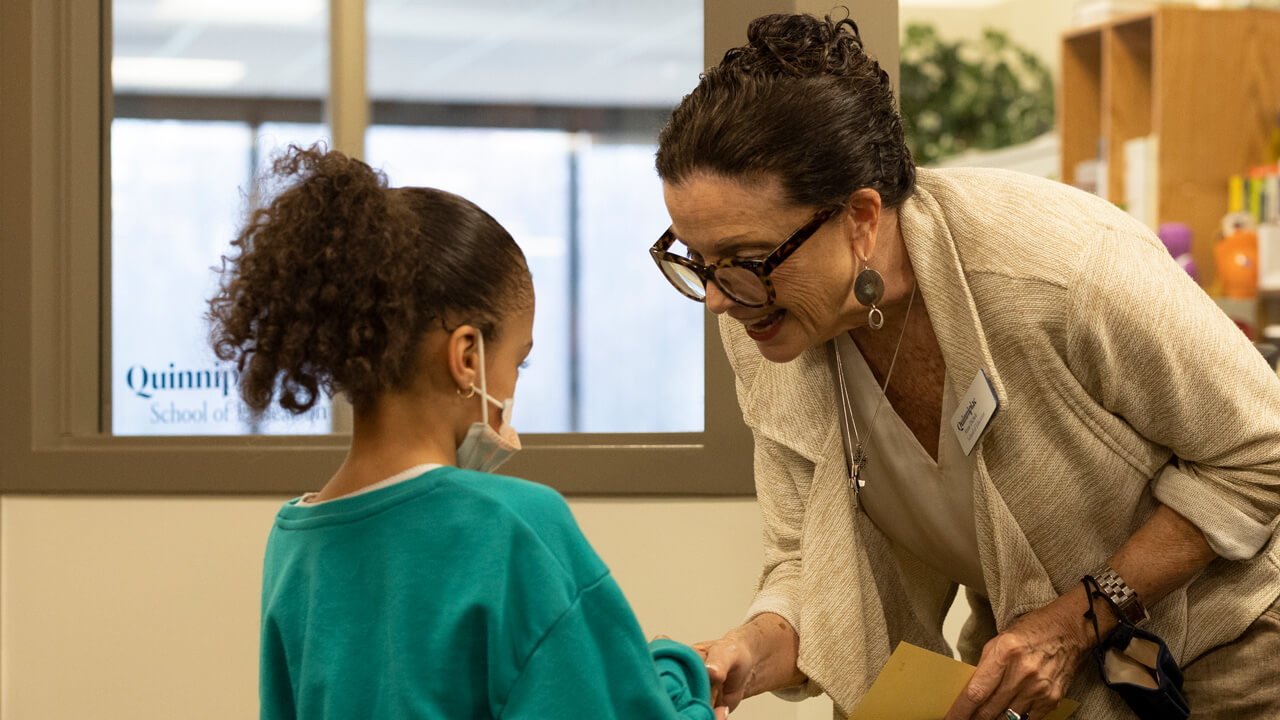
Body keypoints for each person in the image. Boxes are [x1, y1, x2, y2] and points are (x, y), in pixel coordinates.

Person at [651, 13, 1280, 720]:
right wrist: (744, 651)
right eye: (695, 262)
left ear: (860, 218)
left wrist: (1077, 619)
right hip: (1056, 682)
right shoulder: (770, 323)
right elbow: (806, 560)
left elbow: (1260, 451)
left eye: (744, 261)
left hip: (1234, 650)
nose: (716, 299)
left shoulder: (1060, 267)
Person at [209, 146, 717, 720]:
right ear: (467, 357)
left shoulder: (294, 545)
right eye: (517, 363)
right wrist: (685, 682)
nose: (513, 386)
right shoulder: (513, 528)